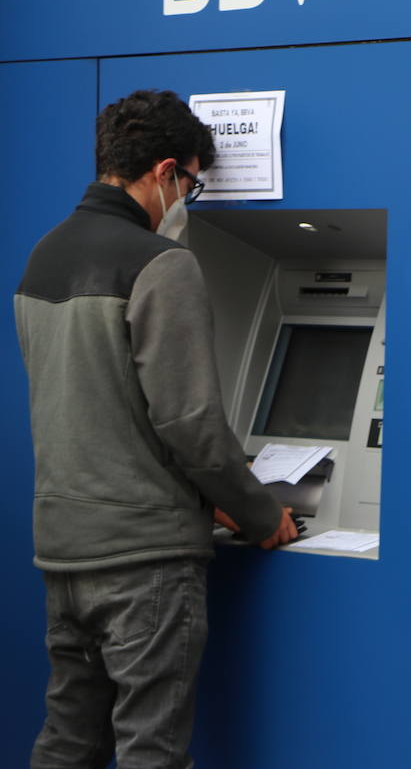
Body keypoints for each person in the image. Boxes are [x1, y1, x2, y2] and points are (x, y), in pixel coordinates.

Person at [15, 89, 298, 769]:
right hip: (145, 561)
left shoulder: (41, 258)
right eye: (192, 185)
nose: (186, 200)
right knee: (152, 751)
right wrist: (263, 515)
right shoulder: (160, 265)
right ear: (166, 171)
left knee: (69, 743)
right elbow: (191, 422)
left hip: (66, 552)